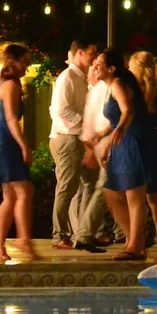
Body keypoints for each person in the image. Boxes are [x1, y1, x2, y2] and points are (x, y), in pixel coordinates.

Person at [99, 50, 157, 261]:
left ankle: (135, 243)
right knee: (153, 196)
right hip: (150, 141)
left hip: (130, 141)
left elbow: (126, 114)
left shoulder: (128, 88)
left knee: (132, 195)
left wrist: (112, 134)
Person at [0, 44, 36, 263]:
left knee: (11, 195)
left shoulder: (4, 83)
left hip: (2, 140)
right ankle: (24, 239)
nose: (27, 65)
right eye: (25, 61)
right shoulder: (12, 84)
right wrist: (24, 145)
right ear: (14, 61)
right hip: (6, 141)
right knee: (23, 191)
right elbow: (11, 118)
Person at [48, 40, 102, 252]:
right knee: (67, 187)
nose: (94, 57)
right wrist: (85, 124)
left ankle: (83, 232)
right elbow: (61, 110)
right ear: (80, 53)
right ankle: (60, 234)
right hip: (67, 137)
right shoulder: (67, 77)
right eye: (92, 52)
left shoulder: (79, 78)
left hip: (76, 137)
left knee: (90, 184)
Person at [77, 52, 120, 246]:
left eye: (98, 64)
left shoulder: (99, 88)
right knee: (105, 188)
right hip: (107, 141)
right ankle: (84, 234)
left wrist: (89, 143)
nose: (95, 67)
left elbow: (89, 116)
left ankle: (122, 232)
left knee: (116, 189)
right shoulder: (107, 88)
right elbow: (108, 118)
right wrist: (93, 144)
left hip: (102, 140)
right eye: (95, 64)